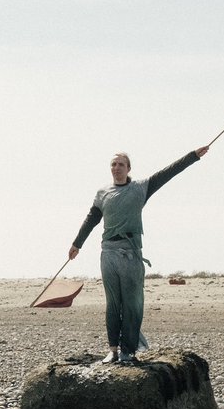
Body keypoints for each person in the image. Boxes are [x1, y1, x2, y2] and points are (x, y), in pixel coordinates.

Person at [68, 146, 209, 364]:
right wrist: (77, 243)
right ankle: (113, 350)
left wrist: (192, 157)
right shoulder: (102, 193)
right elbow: (91, 219)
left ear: (128, 168)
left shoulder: (140, 188)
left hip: (131, 253)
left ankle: (128, 351)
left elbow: (168, 173)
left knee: (132, 304)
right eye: (113, 164)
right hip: (108, 253)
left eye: (121, 164)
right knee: (113, 304)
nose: (116, 168)